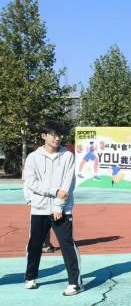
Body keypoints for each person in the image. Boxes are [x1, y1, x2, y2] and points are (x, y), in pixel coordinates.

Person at [23, 121, 82, 296]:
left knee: (67, 244)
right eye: (54, 135)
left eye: (60, 135)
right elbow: (30, 182)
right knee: (34, 245)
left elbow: (68, 184)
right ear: (44, 136)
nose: (57, 138)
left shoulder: (68, 156)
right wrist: (36, 197)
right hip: (39, 208)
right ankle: (30, 277)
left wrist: (59, 205)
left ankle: (75, 283)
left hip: (61, 210)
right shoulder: (33, 157)